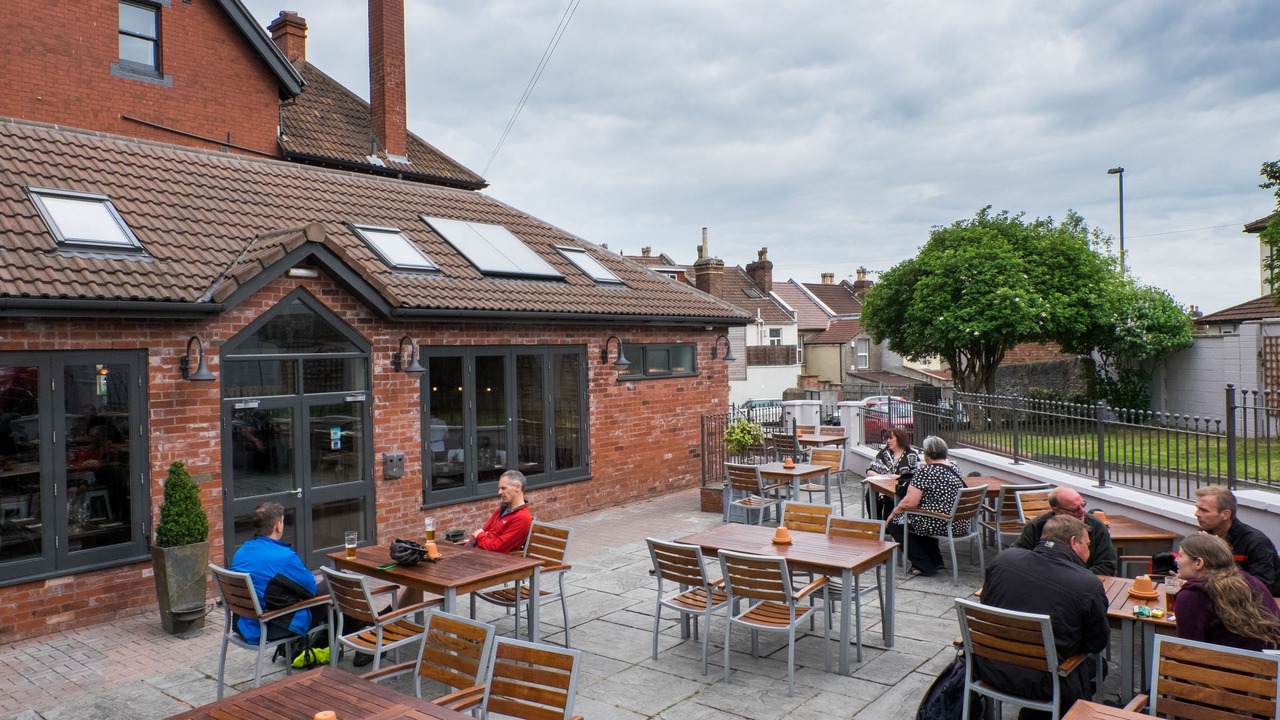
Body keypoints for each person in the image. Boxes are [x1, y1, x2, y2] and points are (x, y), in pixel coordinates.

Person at [978, 515, 1109, 720]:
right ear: (1074, 542)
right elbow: (1096, 642)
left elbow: (985, 602)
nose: (1089, 550)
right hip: (1043, 682)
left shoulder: (1003, 560)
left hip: (987, 667)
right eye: (1087, 544)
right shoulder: (1087, 584)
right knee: (1097, 664)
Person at [229, 502, 322, 645]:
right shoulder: (284, 557)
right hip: (272, 625)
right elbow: (312, 588)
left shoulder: (241, 551)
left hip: (245, 624)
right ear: (278, 526)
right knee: (334, 592)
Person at [1172, 533, 1280, 651]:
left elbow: (1188, 650)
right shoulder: (1251, 581)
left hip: (1227, 662)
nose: (1176, 559)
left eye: (1181, 556)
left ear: (1198, 563)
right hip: (1271, 658)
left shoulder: (1191, 596)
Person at [886, 435, 966, 577]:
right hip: (958, 522)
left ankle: (923, 565)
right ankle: (936, 561)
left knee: (895, 524)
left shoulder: (925, 472)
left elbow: (909, 502)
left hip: (942, 522)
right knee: (920, 518)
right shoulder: (954, 468)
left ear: (927, 453)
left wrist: (893, 513)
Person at [1193, 486, 1280, 595]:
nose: (1197, 514)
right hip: (1218, 596)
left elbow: (1261, 587)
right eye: (1197, 508)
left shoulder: (1256, 542)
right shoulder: (1204, 534)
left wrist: (1219, 555)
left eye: (1204, 510)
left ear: (1225, 514)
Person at [1014, 487, 1117, 576]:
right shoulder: (1036, 526)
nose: (1083, 511)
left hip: (1083, 583)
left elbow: (1107, 567)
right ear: (1057, 510)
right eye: (1075, 509)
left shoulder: (1096, 526)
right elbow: (1017, 555)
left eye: (1083, 505)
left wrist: (1069, 576)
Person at [464, 470, 532, 553]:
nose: (499, 492)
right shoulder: (502, 509)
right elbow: (481, 531)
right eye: (499, 489)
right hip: (474, 552)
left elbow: (497, 547)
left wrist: (480, 536)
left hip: (488, 557)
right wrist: (466, 547)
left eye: (503, 488)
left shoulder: (522, 518)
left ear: (518, 487)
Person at [866, 426, 918, 519]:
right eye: (887, 439)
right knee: (870, 493)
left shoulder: (911, 455)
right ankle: (875, 521)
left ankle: (890, 521)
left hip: (902, 489)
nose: (888, 441)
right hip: (884, 486)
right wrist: (882, 476)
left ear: (900, 438)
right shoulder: (884, 454)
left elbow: (915, 475)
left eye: (891, 438)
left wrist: (897, 477)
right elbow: (869, 471)